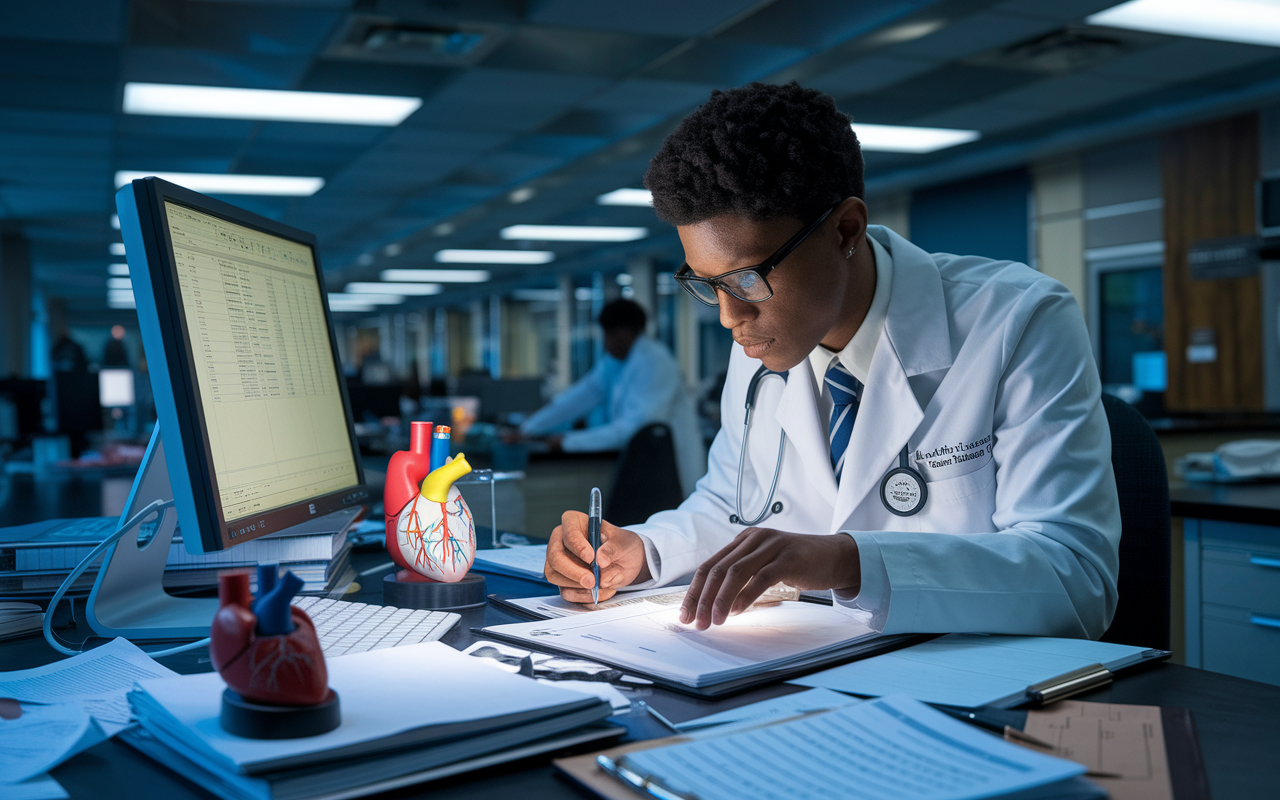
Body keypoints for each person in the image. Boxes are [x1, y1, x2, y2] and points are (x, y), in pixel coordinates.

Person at [543, 82, 1121, 640]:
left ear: (846, 229)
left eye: (745, 278)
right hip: (809, 666)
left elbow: (1076, 581)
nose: (727, 317)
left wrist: (849, 562)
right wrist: (644, 551)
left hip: (966, 683)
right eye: (707, 282)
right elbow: (733, 507)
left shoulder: (1018, 319)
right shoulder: (765, 336)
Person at [519, 299, 706, 496]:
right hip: (643, 464)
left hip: (672, 463)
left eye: (612, 335)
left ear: (631, 331)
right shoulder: (616, 361)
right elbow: (581, 396)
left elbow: (633, 428)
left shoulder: (654, 362)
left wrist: (567, 442)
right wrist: (528, 428)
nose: (607, 343)